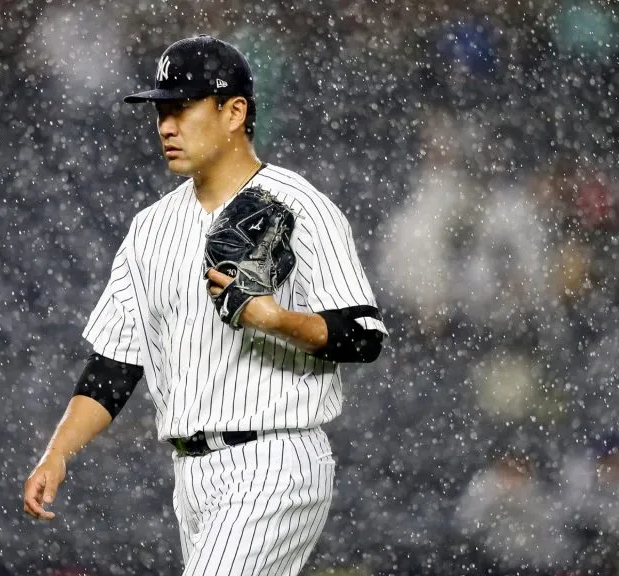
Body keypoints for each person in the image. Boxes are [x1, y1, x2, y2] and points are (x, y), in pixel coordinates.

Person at [22, 35, 387, 576]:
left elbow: (364, 336)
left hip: (275, 459)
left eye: (182, 108)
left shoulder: (300, 206)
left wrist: (272, 317)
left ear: (234, 111)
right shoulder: (150, 229)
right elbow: (115, 367)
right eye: (161, 112)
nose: (166, 126)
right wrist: (57, 453)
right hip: (191, 475)